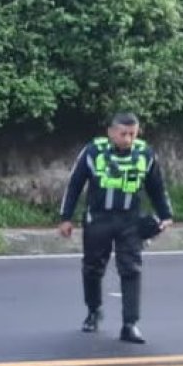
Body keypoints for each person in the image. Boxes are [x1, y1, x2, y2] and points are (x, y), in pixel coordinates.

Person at [57, 113, 173, 343]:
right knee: (92, 267)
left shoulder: (145, 154)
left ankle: (130, 324)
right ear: (110, 132)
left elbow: (157, 187)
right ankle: (93, 312)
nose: (128, 138)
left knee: (131, 269)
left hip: (129, 220)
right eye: (123, 133)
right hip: (98, 219)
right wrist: (65, 217)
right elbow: (75, 184)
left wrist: (166, 215)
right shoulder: (93, 152)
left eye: (133, 133)